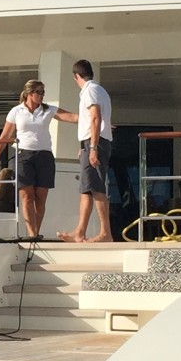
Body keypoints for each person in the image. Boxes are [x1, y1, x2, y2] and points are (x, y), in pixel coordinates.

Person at [0, 78, 65, 240]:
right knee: (26, 195)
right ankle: (32, 233)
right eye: (39, 92)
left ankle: (36, 232)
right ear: (29, 93)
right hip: (23, 154)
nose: (42, 96)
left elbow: (71, 117)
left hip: (44, 155)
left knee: (41, 196)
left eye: (43, 93)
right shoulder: (16, 111)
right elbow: (5, 136)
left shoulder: (48, 110)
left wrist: (95, 121)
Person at [58, 59, 114, 242]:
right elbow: (87, 120)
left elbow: (95, 118)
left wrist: (92, 147)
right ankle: (80, 231)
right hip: (89, 142)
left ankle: (105, 232)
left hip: (95, 143)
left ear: (76, 76)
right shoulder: (99, 90)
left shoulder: (90, 91)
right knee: (86, 189)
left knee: (97, 187)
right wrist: (83, 146)